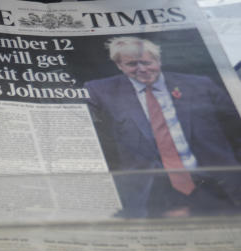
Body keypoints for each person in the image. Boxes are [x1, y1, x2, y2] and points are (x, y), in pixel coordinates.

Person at [84, 36, 241, 218]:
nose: (141, 69)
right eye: (132, 64)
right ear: (119, 66)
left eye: (146, 62)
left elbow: (235, 131)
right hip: (150, 193)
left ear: (158, 60)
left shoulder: (200, 85)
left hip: (214, 184)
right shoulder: (101, 91)